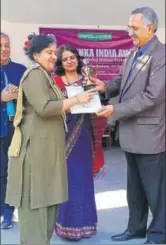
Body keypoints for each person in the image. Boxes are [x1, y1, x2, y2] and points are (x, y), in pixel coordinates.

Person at [5, 34, 95, 244]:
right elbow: (45, 108)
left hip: (45, 152)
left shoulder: (45, 76)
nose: (54, 57)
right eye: (49, 52)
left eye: (55, 52)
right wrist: (75, 99)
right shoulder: (35, 74)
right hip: (35, 153)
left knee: (46, 204)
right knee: (35, 205)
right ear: (36, 54)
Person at [91, 7, 165, 244]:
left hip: (151, 135)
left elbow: (152, 96)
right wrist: (106, 87)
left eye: (134, 27)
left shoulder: (161, 56)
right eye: (129, 27)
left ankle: (159, 234)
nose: (129, 31)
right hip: (131, 133)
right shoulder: (133, 54)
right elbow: (123, 82)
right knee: (134, 189)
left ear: (150, 28)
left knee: (156, 191)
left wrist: (116, 109)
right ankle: (136, 228)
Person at [53, 45, 97, 240]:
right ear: (60, 63)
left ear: (78, 59)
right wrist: (71, 104)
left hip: (83, 134)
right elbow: (52, 108)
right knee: (67, 180)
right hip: (62, 134)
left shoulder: (87, 79)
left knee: (82, 179)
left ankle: (85, 225)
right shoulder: (55, 82)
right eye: (65, 59)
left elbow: (96, 105)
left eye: (73, 57)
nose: (70, 61)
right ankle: (66, 225)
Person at [0, 32, 26, 229]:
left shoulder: (20, 70)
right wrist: (2, 98)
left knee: (13, 171)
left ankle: (9, 212)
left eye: (7, 45)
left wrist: (18, 96)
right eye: (0, 45)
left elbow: (30, 97)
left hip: (15, 127)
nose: (4, 49)